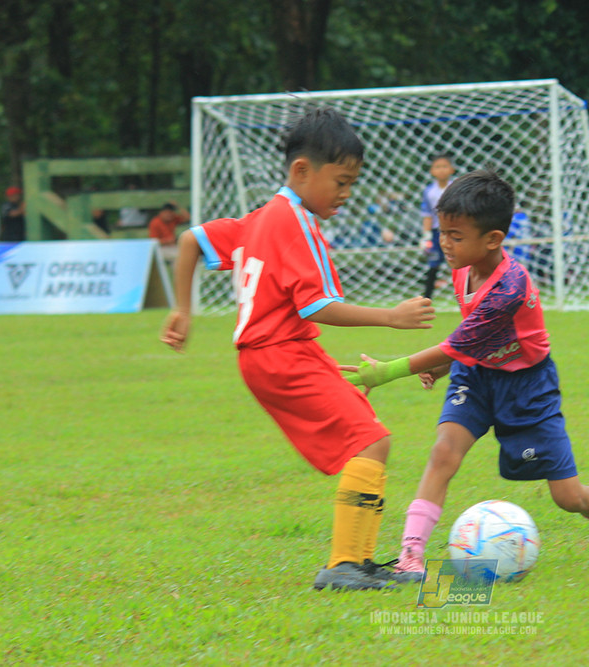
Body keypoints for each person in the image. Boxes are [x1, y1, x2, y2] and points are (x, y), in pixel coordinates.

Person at [159, 106, 436, 591]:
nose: (347, 194)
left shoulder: (259, 220)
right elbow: (318, 306)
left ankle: (361, 562)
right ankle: (346, 565)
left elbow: (189, 242)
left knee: (371, 435)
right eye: (342, 181)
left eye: (353, 184)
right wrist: (391, 317)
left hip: (275, 355)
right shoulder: (297, 224)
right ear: (301, 171)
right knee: (370, 440)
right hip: (280, 354)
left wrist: (183, 309)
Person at [341, 169, 589, 579]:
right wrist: (444, 368)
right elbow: (468, 340)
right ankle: (410, 556)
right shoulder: (462, 269)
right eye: (443, 232)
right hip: (476, 378)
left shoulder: (509, 287)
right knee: (443, 453)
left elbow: (460, 342)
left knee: (567, 495)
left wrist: (385, 372)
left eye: (455, 236)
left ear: (493, 239)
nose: (445, 243)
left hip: (527, 387)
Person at [419, 153, 456, 299]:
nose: (441, 170)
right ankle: (426, 299)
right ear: (432, 171)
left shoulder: (456, 187)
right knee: (433, 264)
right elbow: (427, 213)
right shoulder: (429, 191)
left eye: (445, 166)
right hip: (436, 232)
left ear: (452, 169)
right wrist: (426, 235)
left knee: (460, 263)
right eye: (437, 167)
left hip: (455, 231)